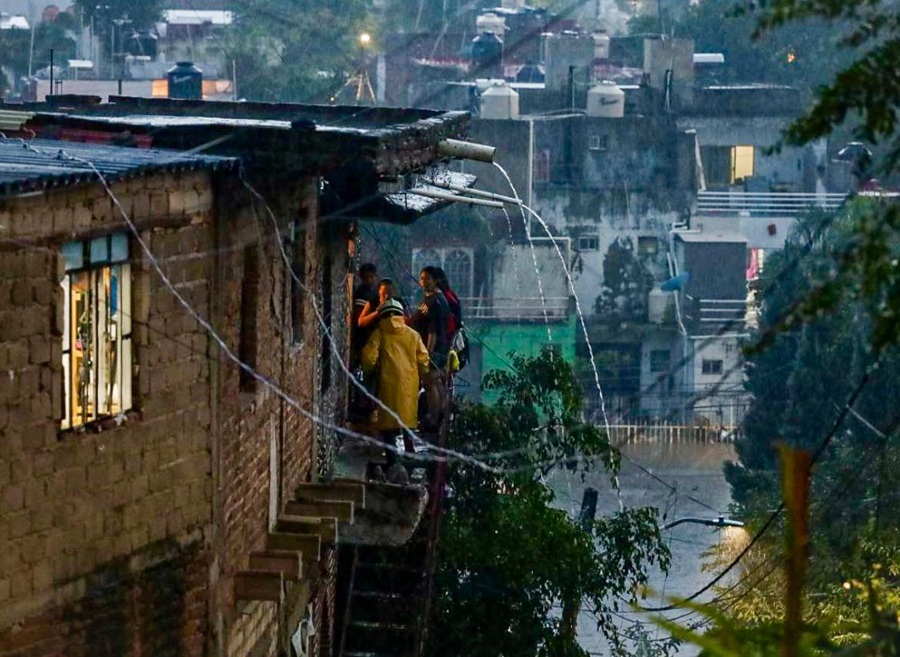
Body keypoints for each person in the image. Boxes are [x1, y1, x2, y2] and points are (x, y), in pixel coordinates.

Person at [361, 299, 430, 483]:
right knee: (406, 420)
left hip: (387, 386)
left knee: (388, 427)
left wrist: (368, 371)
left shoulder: (379, 333)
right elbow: (424, 361)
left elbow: (368, 358)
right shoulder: (413, 335)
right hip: (409, 385)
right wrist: (424, 376)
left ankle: (393, 463)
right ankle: (408, 457)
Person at [409, 266, 451, 431]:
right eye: (422, 278)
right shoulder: (432, 299)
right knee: (437, 383)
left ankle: (433, 419)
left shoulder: (436, 302)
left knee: (431, 383)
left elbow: (433, 331)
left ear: (436, 280)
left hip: (433, 350)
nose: (424, 282)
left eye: (427, 278)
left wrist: (426, 353)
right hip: (438, 349)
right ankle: (438, 415)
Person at [351, 263, 378, 365]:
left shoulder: (374, 292)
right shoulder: (362, 293)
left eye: (371, 277)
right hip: (363, 335)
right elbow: (359, 317)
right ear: (361, 278)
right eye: (366, 278)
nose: (369, 280)